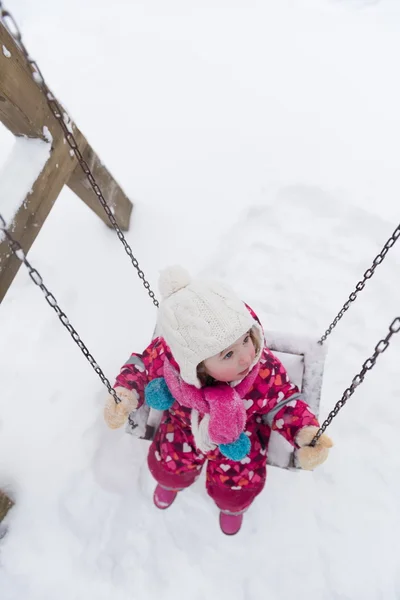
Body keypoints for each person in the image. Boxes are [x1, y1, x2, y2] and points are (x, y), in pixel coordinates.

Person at [104, 266, 333, 535]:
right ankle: (173, 481)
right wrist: (126, 394)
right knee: (170, 464)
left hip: (239, 437)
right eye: (228, 355)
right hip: (183, 428)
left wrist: (304, 433)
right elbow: (141, 367)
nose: (247, 357)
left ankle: (231, 506)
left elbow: (285, 402)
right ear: (194, 363)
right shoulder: (171, 360)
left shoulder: (261, 369)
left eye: (247, 339)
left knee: (237, 486)